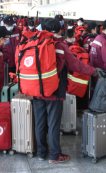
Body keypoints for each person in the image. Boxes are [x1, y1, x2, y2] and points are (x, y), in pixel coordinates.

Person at [33, 19, 97, 163]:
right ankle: (55, 155)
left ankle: (42, 153)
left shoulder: (33, 42)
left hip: (36, 89)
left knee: (40, 123)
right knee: (54, 123)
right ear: (60, 30)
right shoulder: (59, 45)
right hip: (54, 90)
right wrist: (93, 71)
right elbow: (76, 65)